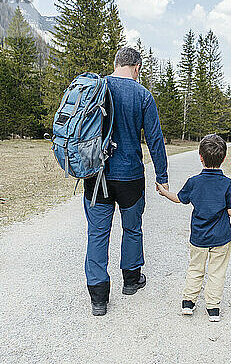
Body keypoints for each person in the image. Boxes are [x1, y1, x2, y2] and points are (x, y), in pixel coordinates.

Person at [83, 47, 169, 316]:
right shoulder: (142, 95)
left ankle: (98, 297)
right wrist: (162, 177)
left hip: (96, 175)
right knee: (132, 229)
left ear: (115, 63)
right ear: (137, 67)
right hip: (130, 176)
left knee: (97, 233)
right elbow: (155, 139)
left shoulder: (96, 87)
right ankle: (131, 281)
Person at [155, 134, 231, 322]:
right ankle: (213, 308)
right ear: (224, 158)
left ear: (200, 156)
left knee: (195, 268)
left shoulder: (194, 182)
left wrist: (164, 192)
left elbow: (179, 199)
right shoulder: (228, 184)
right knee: (217, 271)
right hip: (221, 238)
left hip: (199, 237)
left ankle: (188, 303)